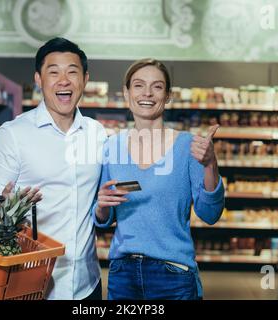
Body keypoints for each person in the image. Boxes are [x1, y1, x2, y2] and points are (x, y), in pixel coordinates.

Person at [0, 38, 107, 300]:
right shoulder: (13, 134)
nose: (64, 80)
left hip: (87, 283)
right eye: (54, 72)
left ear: (85, 79)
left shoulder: (96, 134)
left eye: (72, 71)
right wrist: (1, 205)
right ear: (39, 79)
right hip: (30, 285)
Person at [92, 58, 225, 300]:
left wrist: (210, 164)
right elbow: (104, 219)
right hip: (123, 275)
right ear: (126, 93)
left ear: (168, 96)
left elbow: (210, 214)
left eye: (157, 86)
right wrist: (101, 207)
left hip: (173, 275)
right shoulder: (112, 146)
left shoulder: (188, 146)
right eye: (139, 85)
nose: (147, 93)